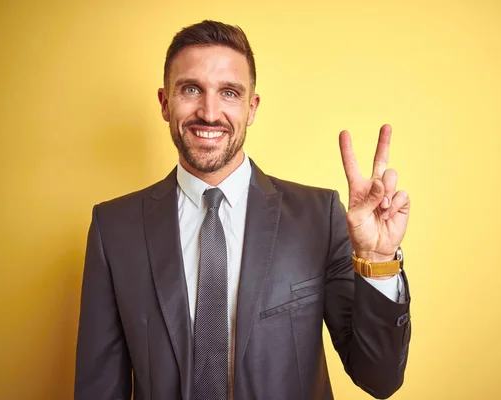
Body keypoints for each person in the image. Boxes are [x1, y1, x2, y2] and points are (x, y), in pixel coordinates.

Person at [75, 20, 412, 400]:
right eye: (190, 89)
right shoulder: (114, 228)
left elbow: (380, 379)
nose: (209, 112)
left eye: (230, 93)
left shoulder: (319, 214)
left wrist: (378, 259)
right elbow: (99, 388)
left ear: (251, 108)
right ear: (165, 103)